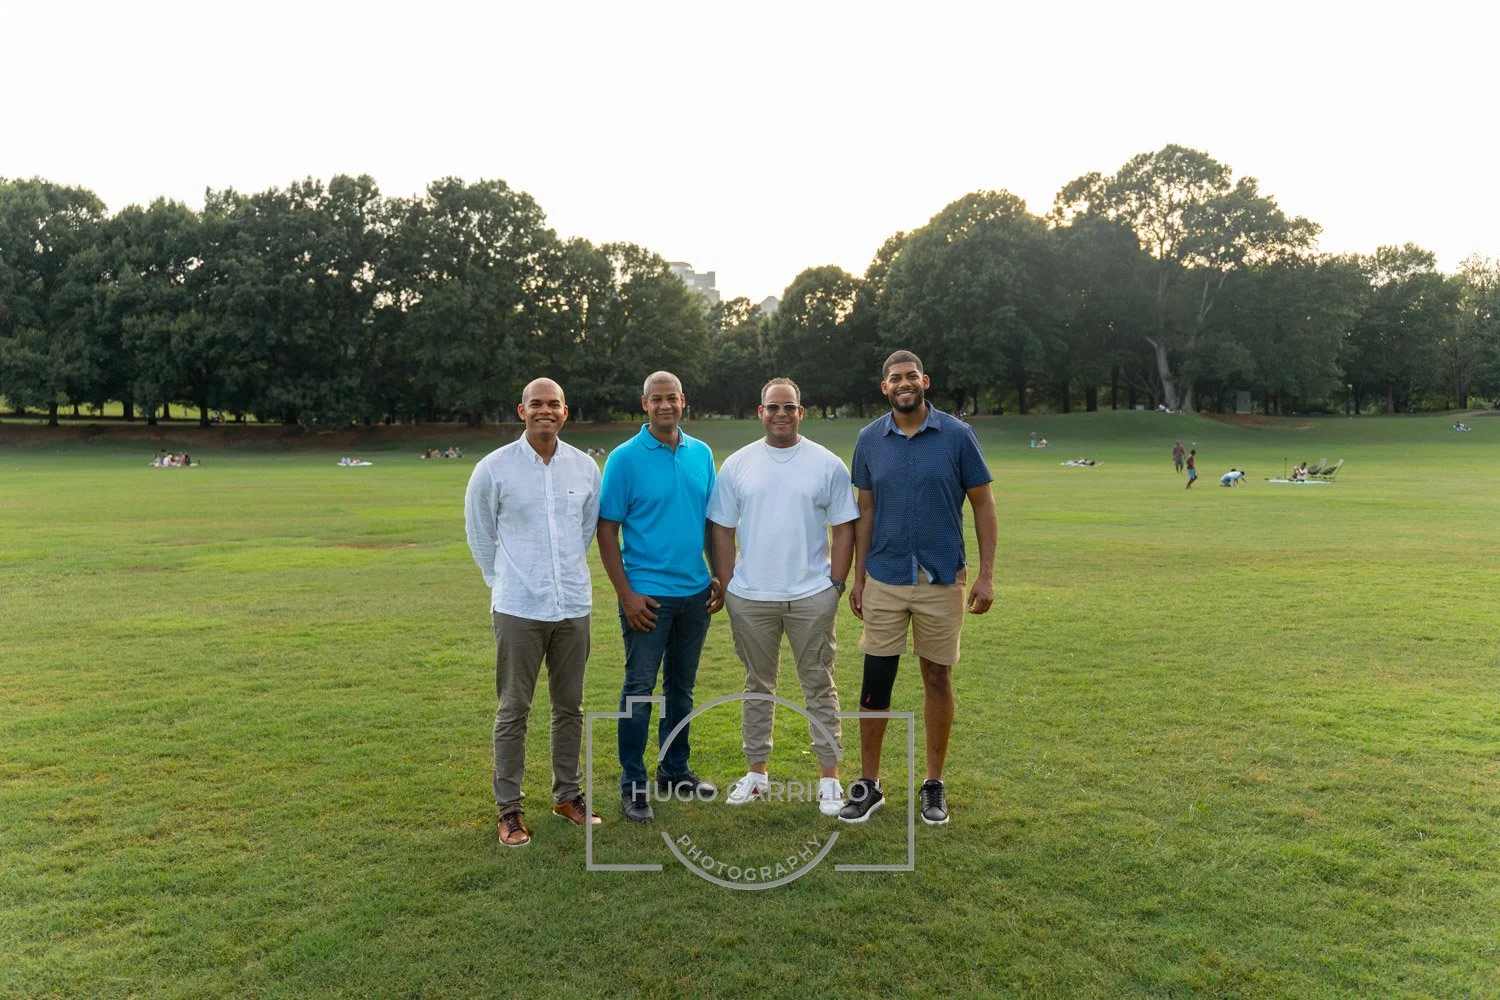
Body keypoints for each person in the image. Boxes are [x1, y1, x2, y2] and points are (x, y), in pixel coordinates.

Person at [842, 350, 996, 827]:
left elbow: (983, 506)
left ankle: (933, 783)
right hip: (885, 577)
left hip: (941, 576)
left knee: (936, 677)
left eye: (911, 376)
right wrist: (858, 576)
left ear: (925, 381)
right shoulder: (870, 439)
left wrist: (987, 574)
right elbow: (864, 512)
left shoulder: (956, 436)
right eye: (895, 378)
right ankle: (870, 783)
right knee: (876, 681)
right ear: (884, 388)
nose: (904, 383)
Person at [708, 377, 859, 817]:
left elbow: (844, 526)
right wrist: (729, 580)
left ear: (801, 411)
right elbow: (722, 526)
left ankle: (830, 779)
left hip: (812, 595)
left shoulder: (827, 464)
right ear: (760, 412)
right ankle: (756, 775)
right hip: (751, 597)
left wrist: (836, 583)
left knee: (819, 685)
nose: (780, 414)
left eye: (788, 407)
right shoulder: (737, 465)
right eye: (773, 407)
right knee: (758, 685)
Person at [465, 377, 602, 848]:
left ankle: (568, 795)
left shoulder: (584, 467)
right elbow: (480, 533)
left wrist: (560, 574)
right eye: (536, 404)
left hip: (573, 606)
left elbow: (583, 531)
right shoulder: (493, 468)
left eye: (554, 404)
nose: (546, 411)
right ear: (521, 411)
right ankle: (510, 809)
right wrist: (501, 580)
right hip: (518, 607)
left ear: (566, 412)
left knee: (570, 708)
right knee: (514, 709)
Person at [599, 371, 723, 823]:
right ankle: (633, 784)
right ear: (644, 404)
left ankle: (674, 768)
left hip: (694, 593)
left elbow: (712, 523)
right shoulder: (624, 459)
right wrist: (627, 594)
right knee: (639, 690)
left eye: (672, 398)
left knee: (681, 690)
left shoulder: (702, 453)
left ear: (683, 401)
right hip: (647, 597)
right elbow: (607, 529)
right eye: (657, 399)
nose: (665, 405)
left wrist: (719, 577)